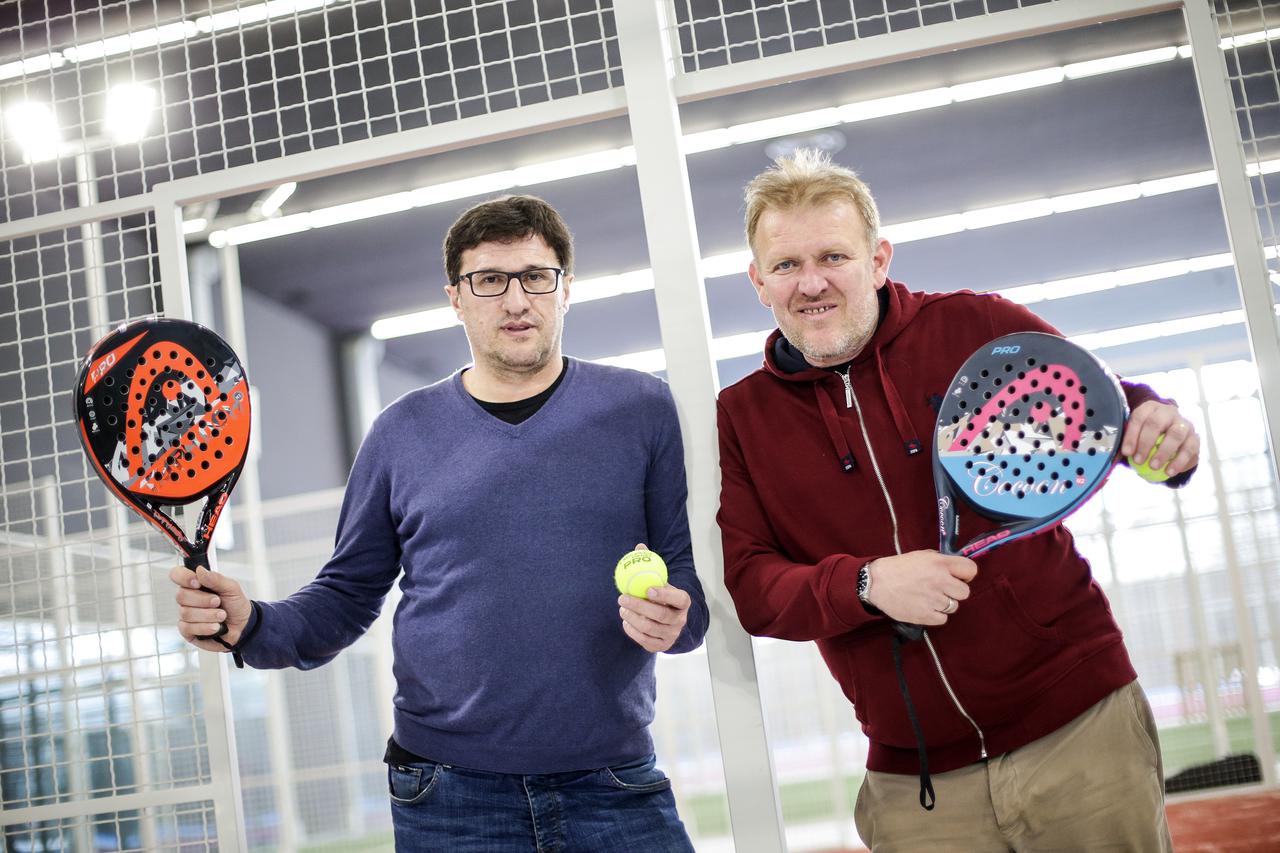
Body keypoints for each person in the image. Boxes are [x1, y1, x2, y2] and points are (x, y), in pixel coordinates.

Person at [171, 195, 708, 852]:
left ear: (567, 288)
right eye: (489, 280)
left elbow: (686, 579)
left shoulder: (640, 408)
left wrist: (678, 620)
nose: (516, 301)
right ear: (456, 296)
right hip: (449, 795)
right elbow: (344, 597)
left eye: (536, 276)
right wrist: (251, 623)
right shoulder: (401, 431)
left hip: (613, 782)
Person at [716, 149, 1198, 851]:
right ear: (758, 280)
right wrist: (868, 583)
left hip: (1079, 734)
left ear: (878, 260)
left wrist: (1158, 425)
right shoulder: (741, 418)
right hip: (918, 787)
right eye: (786, 265)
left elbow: (1101, 407)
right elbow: (753, 585)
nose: (811, 282)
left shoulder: (975, 325)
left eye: (833, 256)